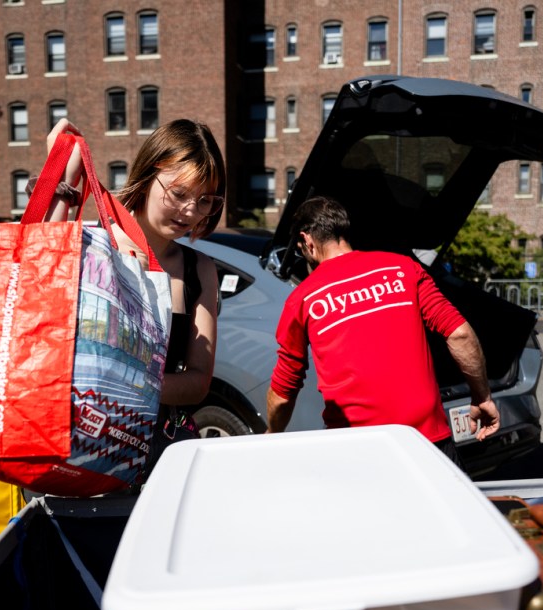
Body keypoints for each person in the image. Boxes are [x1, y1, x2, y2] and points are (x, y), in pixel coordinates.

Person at [264, 196, 499, 465]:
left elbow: (283, 392)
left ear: (307, 242)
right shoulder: (403, 268)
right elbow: (460, 334)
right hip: (429, 444)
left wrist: (272, 433)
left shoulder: (302, 298)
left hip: (358, 454)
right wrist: (482, 397)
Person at [42, 118, 225, 463]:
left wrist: (117, 385)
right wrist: (63, 176)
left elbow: (199, 382)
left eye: (205, 200)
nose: (191, 211)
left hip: (161, 450)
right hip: (78, 443)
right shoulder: (96, 244)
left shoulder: (199, 269)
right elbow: (41, 268)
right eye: (180, 193)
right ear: (147, 174)